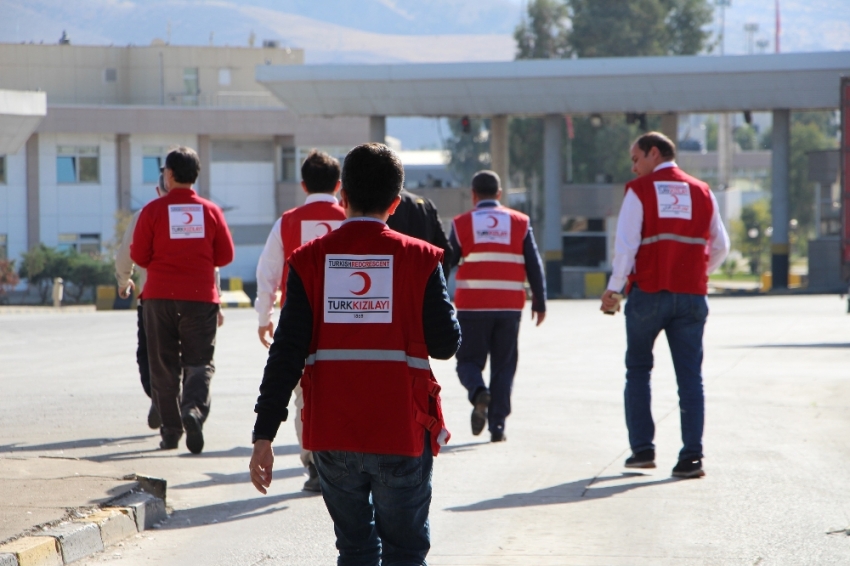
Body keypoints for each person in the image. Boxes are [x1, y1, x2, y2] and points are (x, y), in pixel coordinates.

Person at [249, 143, 460, 566]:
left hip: (334, 435)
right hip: (401, 430)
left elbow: (286, 354)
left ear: (342, 196)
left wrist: (264, 435)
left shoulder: (308, 261)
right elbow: (445, 344)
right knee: (405, 552)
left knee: (356, 551)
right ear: (396, 203)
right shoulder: (421, 259)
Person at [600, 132, 729, 479]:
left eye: (636, 158)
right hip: (692, 296)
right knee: (690, 378)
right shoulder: (702, 191)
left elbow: (626, 246)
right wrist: (696, 273)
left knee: (639, 370)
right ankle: (691, 458)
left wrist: (613, 290)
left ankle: (642, 451)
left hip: (649, 293)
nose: (634, 165)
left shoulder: (640, 191)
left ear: (654, 153)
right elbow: (721, 246)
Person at [131, 146, 234, 454]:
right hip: (200, 298)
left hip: (159, 298)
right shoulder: (211, 211)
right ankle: (194, 412)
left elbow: (139, 256)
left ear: (170, 174)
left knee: (163, 366)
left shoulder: (152, 210)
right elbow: (226, 255)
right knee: (199, 362)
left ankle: (171, 431)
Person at [254, 149, 346, 492]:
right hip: (346, 322)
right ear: (339, 185)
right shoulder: (351, 218)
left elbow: (267, 274)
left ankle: (314, 465)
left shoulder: (288, 221)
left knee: (304, 398)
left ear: (303, 184)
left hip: (300, 326)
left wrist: (265, 318)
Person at [448, 170, 546, 442]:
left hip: (472, 307)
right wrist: (540, 300)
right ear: (499, 194)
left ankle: (479, 392)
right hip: (508, 307)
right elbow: (534, 264)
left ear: (473, 195)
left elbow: (446, 263)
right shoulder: (520, 222)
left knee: (467, 361)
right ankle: (498, 426)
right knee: (503, 366)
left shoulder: (461, 223)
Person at [386, 188, 452, 272]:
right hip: (423, 276)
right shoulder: (426, 204)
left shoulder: (382, 207)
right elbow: (445, 251)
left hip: (394, 277)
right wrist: (438, 282)